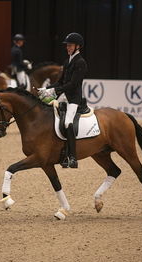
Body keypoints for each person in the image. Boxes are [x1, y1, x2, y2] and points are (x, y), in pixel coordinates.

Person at [38, 32, 88, 168]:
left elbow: (73, 84)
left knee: (67, 123)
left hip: (74, 99)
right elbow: (60, 82)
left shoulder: (81, 62)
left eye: (70, 45)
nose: (68, 47)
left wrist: (55, 91)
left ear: (78, 46)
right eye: (67, 45)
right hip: (64, 97)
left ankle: (72, 157)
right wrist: (46, 89)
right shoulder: (67, 62)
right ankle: (61, 153)